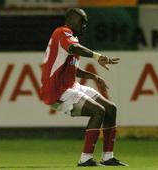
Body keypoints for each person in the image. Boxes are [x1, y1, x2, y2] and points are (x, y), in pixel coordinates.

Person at [40, 8, 128, 167]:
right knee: (97, 111)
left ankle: (108, 157)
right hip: (57, 91)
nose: (85, 25)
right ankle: (85, 159)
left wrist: (93, 76)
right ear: (71, 20)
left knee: (110, 108)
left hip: (70, 86)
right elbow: (74, 49)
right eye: (82, 21)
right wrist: (97, 56)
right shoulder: (62, 32)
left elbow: (72, 69)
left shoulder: (72, 39)